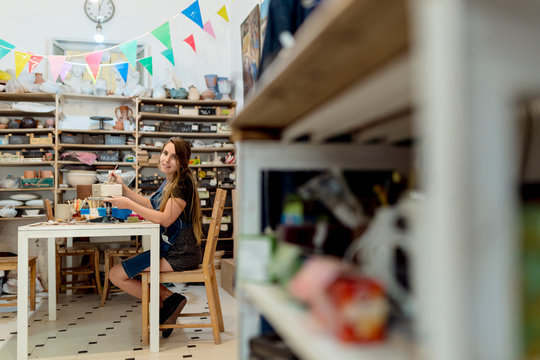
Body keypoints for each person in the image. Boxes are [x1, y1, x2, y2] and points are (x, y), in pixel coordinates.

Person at [106, 137, 202, 338]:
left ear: (183, 161)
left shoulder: (182, 183)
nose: (166, 159)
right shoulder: (171, 179)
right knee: (123, 273)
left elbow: (166, 219)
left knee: (116, 275)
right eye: (165, 153)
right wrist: (124, 189)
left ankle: (166, 302)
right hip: (171, 249)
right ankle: (168, 300)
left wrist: (129, 205)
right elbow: (151, 205)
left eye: (174, 156)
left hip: (180, 253)